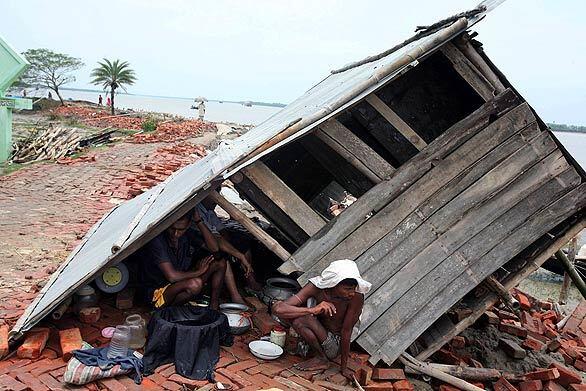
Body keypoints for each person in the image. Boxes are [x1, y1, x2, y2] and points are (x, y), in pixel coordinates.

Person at [272, 259, 371, 379]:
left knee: (303, 318)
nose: (351, 293)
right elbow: (278, 309)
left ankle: (322, 359)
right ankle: (319, 357)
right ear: (333, 284)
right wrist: (312, 310)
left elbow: (346, 332)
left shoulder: (356, 298)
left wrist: (343, 368)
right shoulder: (316, 287)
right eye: (347, 289)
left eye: (353, 288)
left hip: (334, 346)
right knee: (297, 317)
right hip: (318, 333)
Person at [139, 209, 227, 310]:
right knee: (195, 284)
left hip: (181, 282)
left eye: (181, 230)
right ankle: (165, 310)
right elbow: (172, 277)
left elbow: (214, 249)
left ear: (189, 225)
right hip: (157, 293)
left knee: (219, 262)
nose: (176, 234)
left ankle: (213, 307)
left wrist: (199, 222)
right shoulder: (157, 240)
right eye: (172, 228)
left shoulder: (188, 234)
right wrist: (198, 272)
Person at [195, 198, 262, 304]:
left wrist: (230, 247)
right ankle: (234, 295)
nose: (216, 201)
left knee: (243, 243)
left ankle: (251, 281)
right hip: (201, 246)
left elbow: (222, 231)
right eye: (213, 199)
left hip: (215, 242)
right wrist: (235, 253)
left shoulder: (209, 211)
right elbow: (215, 241)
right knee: (221, 256)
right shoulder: (197, 212)